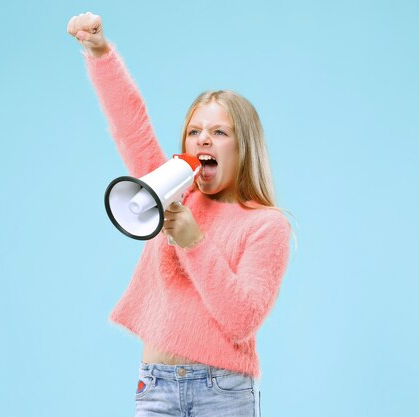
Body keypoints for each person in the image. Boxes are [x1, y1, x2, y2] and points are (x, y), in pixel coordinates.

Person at [68, 12, 292, 417]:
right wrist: (100, 52)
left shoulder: (266, 225)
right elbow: (131, 124)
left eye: (219, 132)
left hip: (222, 393)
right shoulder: (173, 195)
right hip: (155, 386)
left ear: (245, 147)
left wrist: (194, 243)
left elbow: (242, 320)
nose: (203, 138)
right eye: (194, 131)